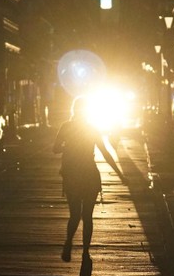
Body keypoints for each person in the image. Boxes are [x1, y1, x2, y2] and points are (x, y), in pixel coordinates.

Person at [53, 95, 124, 262]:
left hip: (72, 175)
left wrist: (68, 147)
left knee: (75, 214)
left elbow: (55, 149)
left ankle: (69, 241)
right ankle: (85, 251)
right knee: (87, 216)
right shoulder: (92, 129)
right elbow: (105, 153)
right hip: (90, 175)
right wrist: (120, 174)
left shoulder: (66, 127)